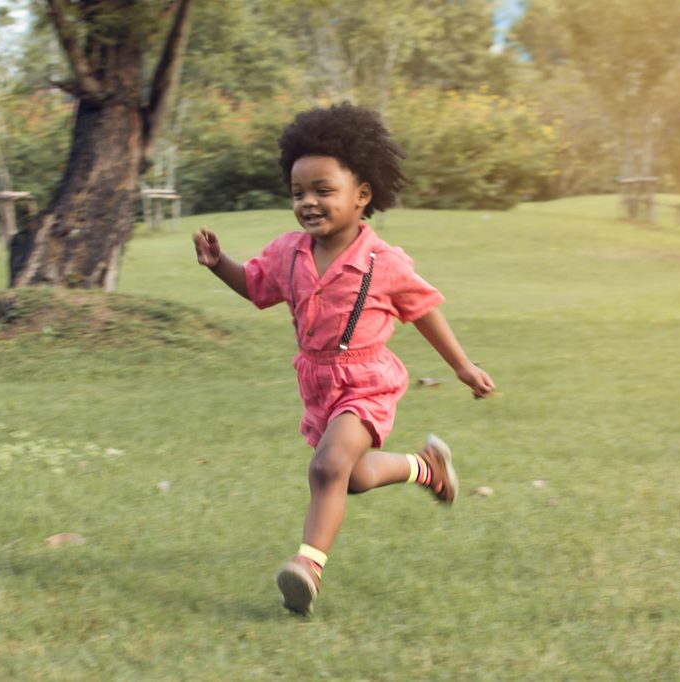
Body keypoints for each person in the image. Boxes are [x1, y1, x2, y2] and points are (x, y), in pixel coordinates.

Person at [192, 103, 495, 615]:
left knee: (327, 468)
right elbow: (257, 288)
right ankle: (427, 468)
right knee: (349, 478)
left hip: (367, 382)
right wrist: (220, 264)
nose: (308, 202)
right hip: (317, 384)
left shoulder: (385, 261)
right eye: (298, 193)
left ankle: (307, 566)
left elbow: (424, 311)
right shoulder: (288, 252)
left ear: (362, 196)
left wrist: (462, 367)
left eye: (323, 191)